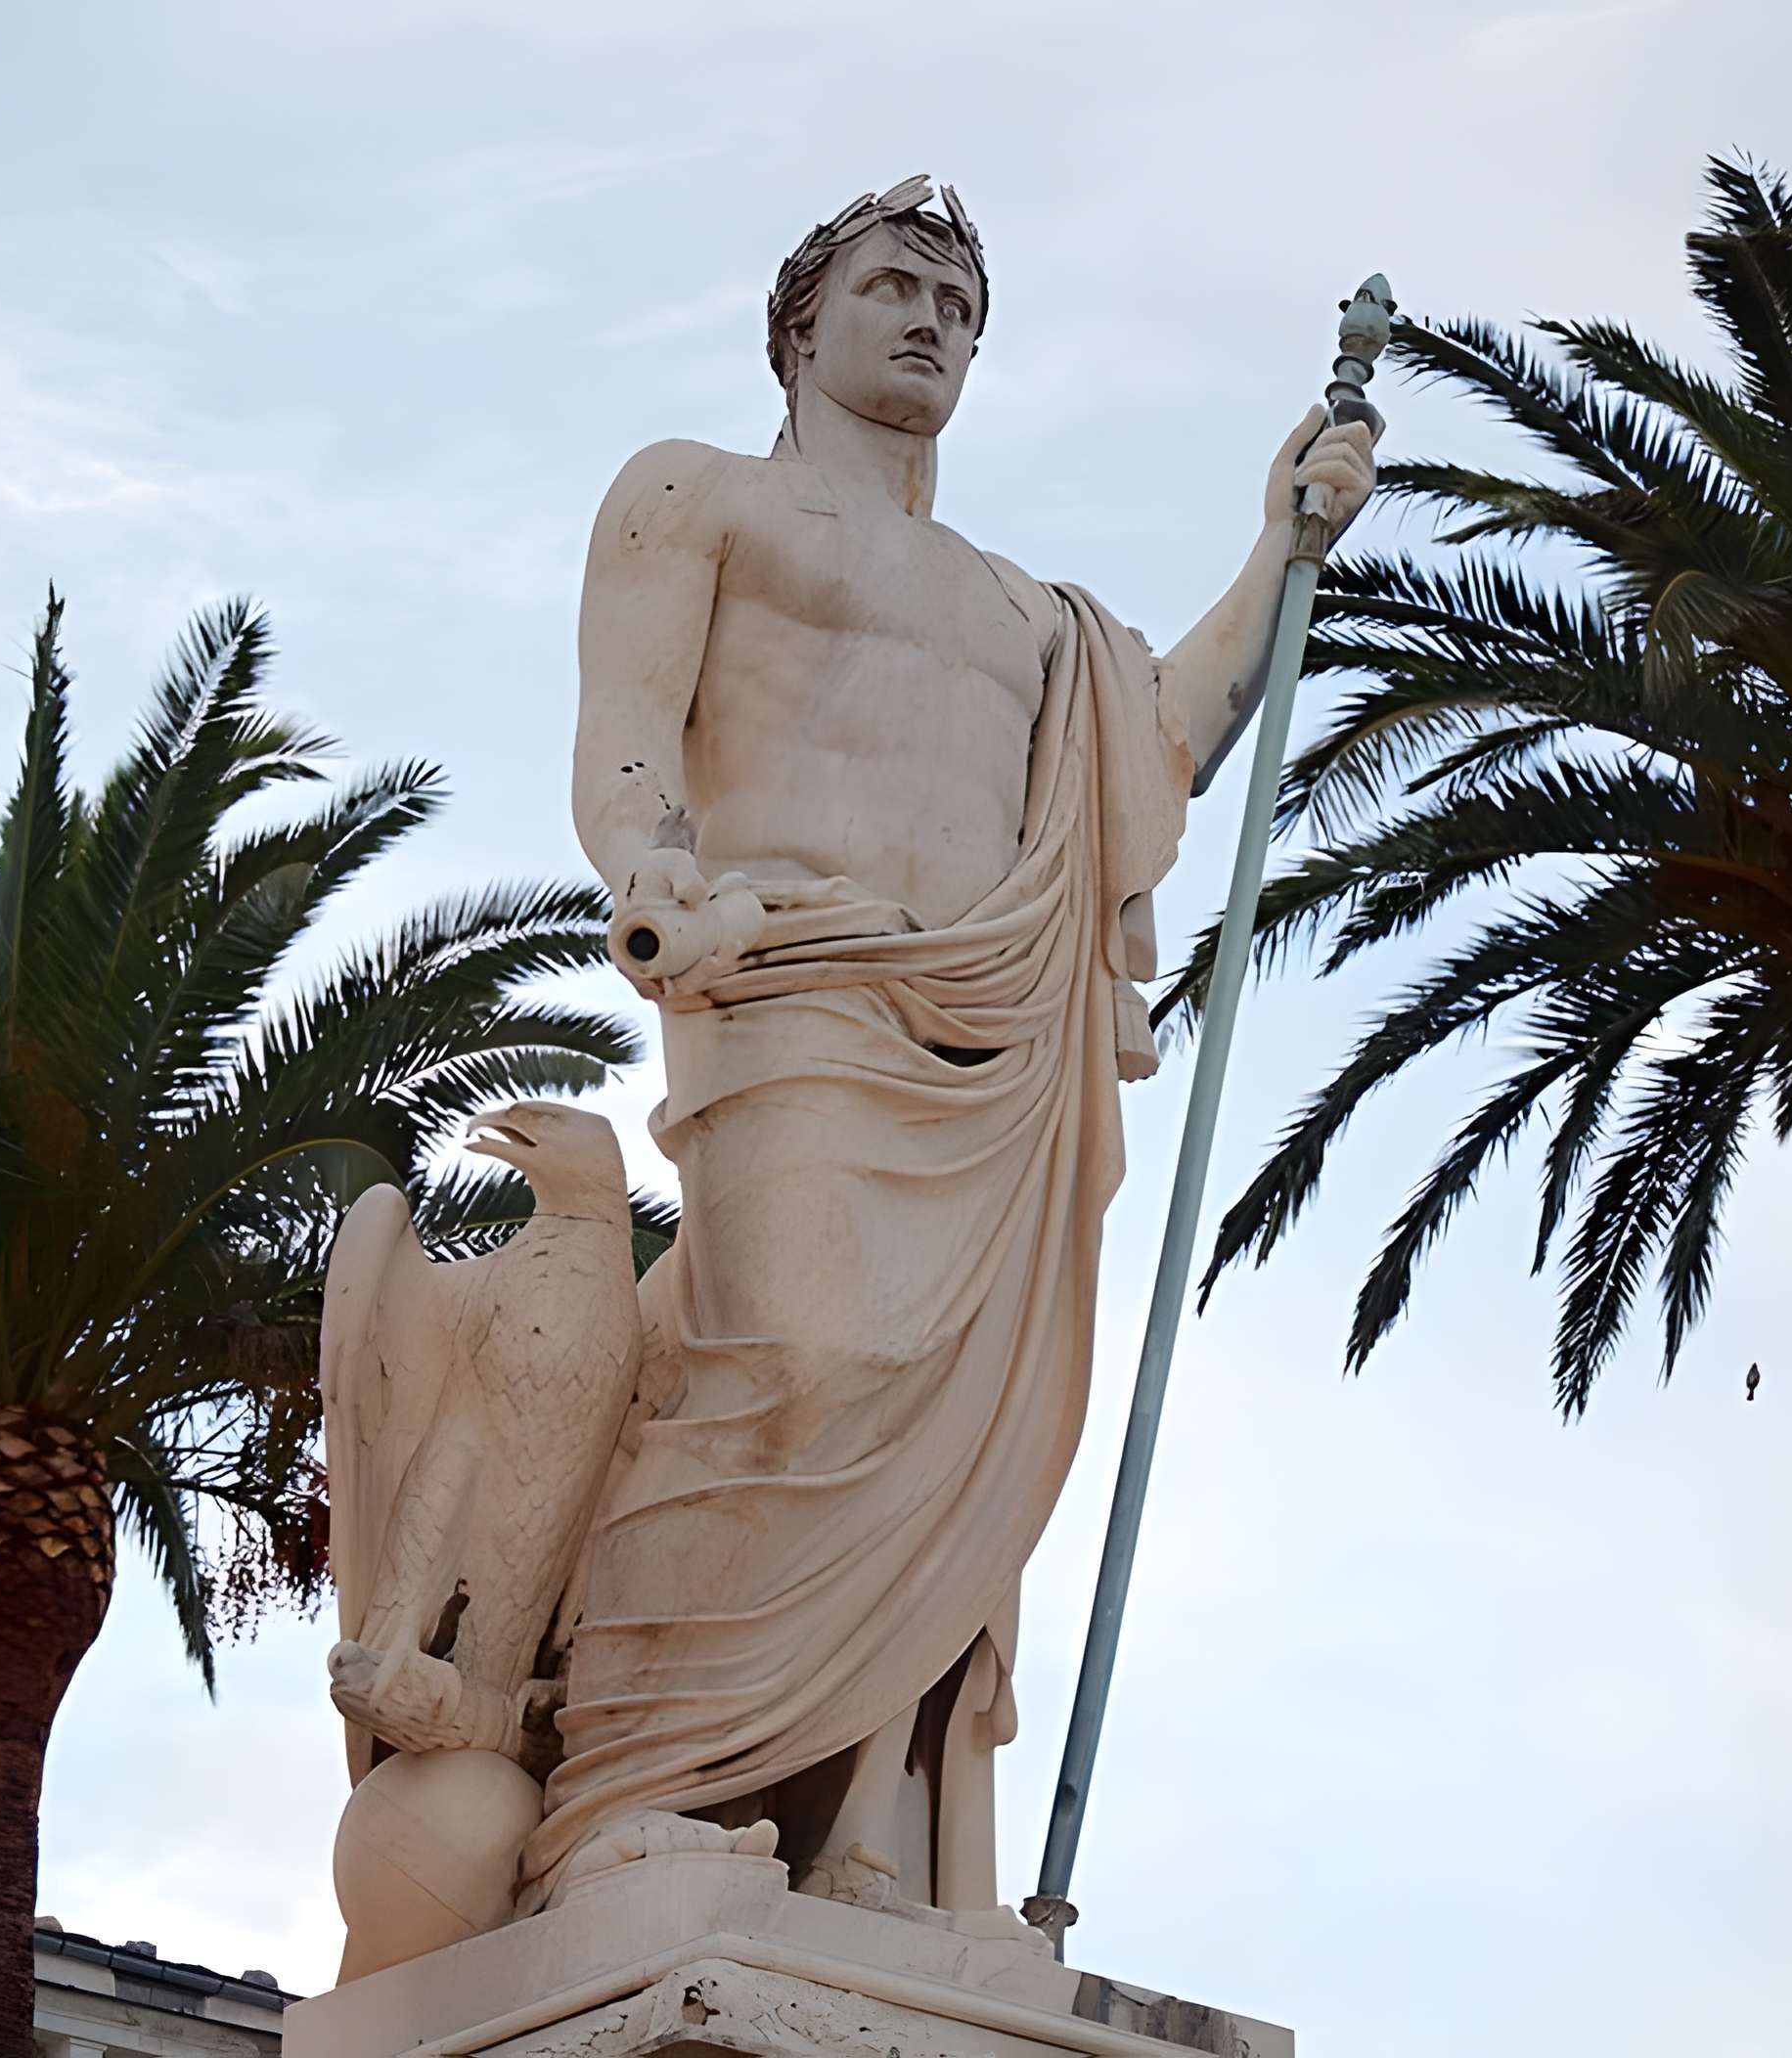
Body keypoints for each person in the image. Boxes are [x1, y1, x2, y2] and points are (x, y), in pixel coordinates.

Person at [542, 177, 1374, 1921]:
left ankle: (863, 1844)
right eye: (892, 286)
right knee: (793, 1359)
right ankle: (628, 1788)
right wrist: (654, 876)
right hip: (784, 982)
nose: (930, 319)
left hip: (992, 1045)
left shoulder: (1027, 612)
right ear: (800, 323)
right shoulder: (700, 496)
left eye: (959, 305)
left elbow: (1152, 758)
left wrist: (1279, 551)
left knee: (956, 1450)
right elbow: (624, 733)